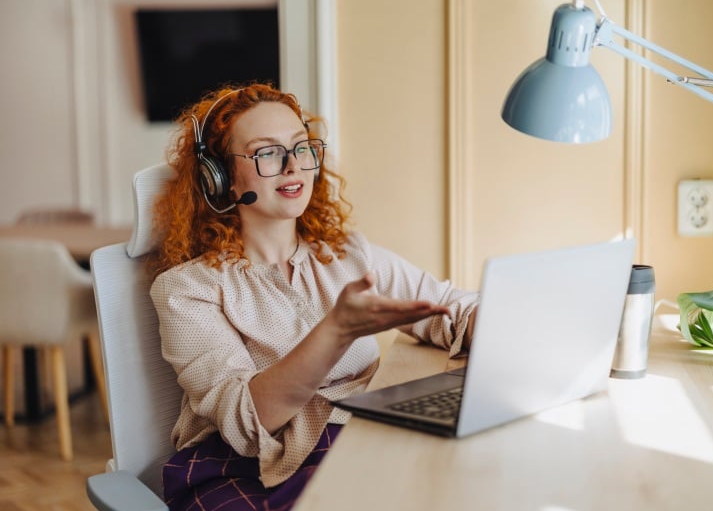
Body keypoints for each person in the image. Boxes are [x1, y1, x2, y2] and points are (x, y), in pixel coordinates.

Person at [148, 81, 478, 511]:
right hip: (249, 468)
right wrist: (336, 331)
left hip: (354, 440)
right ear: (222, 179)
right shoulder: (188, 290)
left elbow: (447, 307)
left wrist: (530, 331)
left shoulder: (346, 254)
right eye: (267, 152)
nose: (292, 166)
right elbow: (249, 425)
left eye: (301, 147)